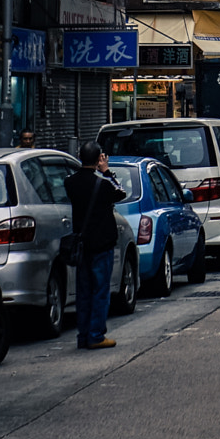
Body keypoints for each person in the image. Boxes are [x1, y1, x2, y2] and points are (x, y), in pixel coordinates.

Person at [65, 142, 124, 350]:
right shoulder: (103, 184)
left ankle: (83, 335)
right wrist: (106, 171)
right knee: (100, 291)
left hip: (82, 244)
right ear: (99, 158)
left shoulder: (70, 183)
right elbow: (121, 192)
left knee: (83, 292)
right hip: (102, 243)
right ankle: (96, 334)